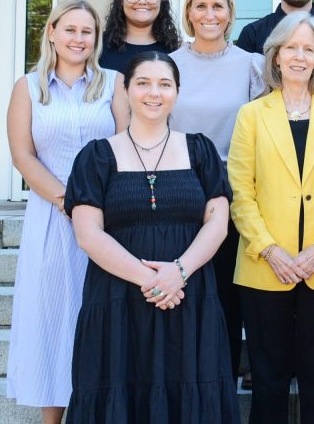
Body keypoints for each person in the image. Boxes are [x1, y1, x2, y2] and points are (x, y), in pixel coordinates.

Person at [64, 51, 239, 423]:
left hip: (189, 298)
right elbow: (88, 234)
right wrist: (153, 280)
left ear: (177, 92)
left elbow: (218, 224)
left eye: (165, 84)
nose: (154, 93)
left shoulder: (201, 151)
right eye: (143, 83)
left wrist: (179, 272)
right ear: (126, 90)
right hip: (119, 302)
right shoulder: (96, 157)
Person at [228, 11, 314, 424]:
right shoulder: (251, 115)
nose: (300, 56)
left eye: (309, 49)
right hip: (265, 266)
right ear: (276, 55)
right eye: (291, 48)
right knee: (268, 379)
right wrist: (270, 250)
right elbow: (241, 192)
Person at [5, 0, 125, 424]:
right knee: (53, 317)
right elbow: (23, 155)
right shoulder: (28, 87)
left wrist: (96, 207)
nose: (78, 38)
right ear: (52, 32)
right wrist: (68, 202)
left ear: (96, 39)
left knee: (102, 316)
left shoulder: (113, 84)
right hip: (51, 218)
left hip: (109, 218)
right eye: (70, 29)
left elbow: (127, 145)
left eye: (87, 31)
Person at [170, 0, 266, 383]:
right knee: (185, 291)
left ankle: (222, 384)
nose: (209, 14)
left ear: (230, 14)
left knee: (227, 294)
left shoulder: (252, 65)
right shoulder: (168, 65)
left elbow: (264, 131)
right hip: (179, 190)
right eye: (201, 6)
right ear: (189, 13)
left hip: (234, 191)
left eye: (217, 6)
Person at [99, 0, 181, 73]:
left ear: (161, 0)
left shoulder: (175, 51)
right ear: (121, 0)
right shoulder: (98, 47)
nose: (142, 1)